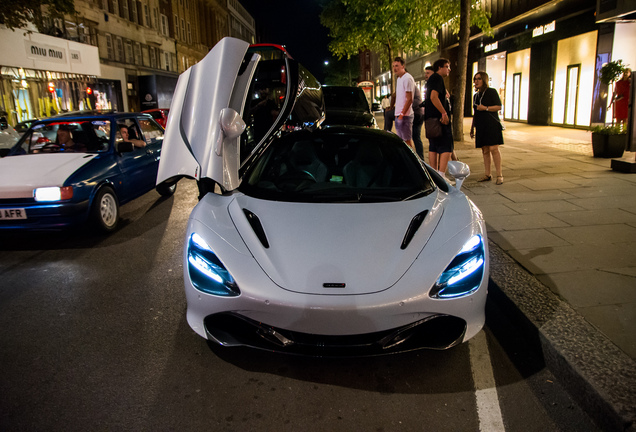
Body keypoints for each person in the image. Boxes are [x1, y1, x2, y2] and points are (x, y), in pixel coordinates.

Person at [470, 71, 504, 185]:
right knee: (484, 150)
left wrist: (486, 108)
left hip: (492, 124)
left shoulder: (491, 92)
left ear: (484, 80)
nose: (476, 81)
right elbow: (475, 112)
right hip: (481, 125)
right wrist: (472, 127)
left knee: (494, 149)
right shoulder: (476, 96)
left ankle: (499, 175)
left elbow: (499, 106)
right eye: (475, 79)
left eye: (479, 79)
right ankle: (487, 174)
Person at [424, 58, 453, 175]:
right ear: (440, 68)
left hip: (431, 119)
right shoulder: (437, 78)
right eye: (447, 66)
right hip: (439, 119)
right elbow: (433, 97)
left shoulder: (432, 79)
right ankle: (441, 175)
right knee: (446, 146)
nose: (449, 69)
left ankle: (435, 174)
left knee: (433, 146)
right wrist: (444, 112)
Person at [392, 57, 415, 151]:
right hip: (399, 114)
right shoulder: (399, 79)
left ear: (403, 66)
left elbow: (409, 99)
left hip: (405, 115)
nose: (394, 68)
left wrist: (402, 114)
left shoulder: (407, 78)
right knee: (402, 141)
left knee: (407, 142)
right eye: (393, 66)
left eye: (397, 66)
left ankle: (414, 162)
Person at [411, 85, 424, 159]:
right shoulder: (414, 87)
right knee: (416, 137)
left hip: (416, 113)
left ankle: (420, 158)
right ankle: (420, 157)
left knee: (415, 136)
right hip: (419, 113)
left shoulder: (409, 85)